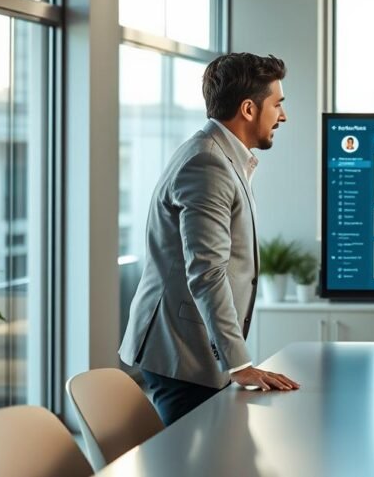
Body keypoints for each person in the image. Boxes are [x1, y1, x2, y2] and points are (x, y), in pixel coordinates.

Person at [119, 52, 299, 426]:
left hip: (193, 348)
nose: (282, 116)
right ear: (249, 109)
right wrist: (240, 363)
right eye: (277, 105)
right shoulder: (209, 164)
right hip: (182, 354)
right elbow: (207, 271)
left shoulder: (222, 157)